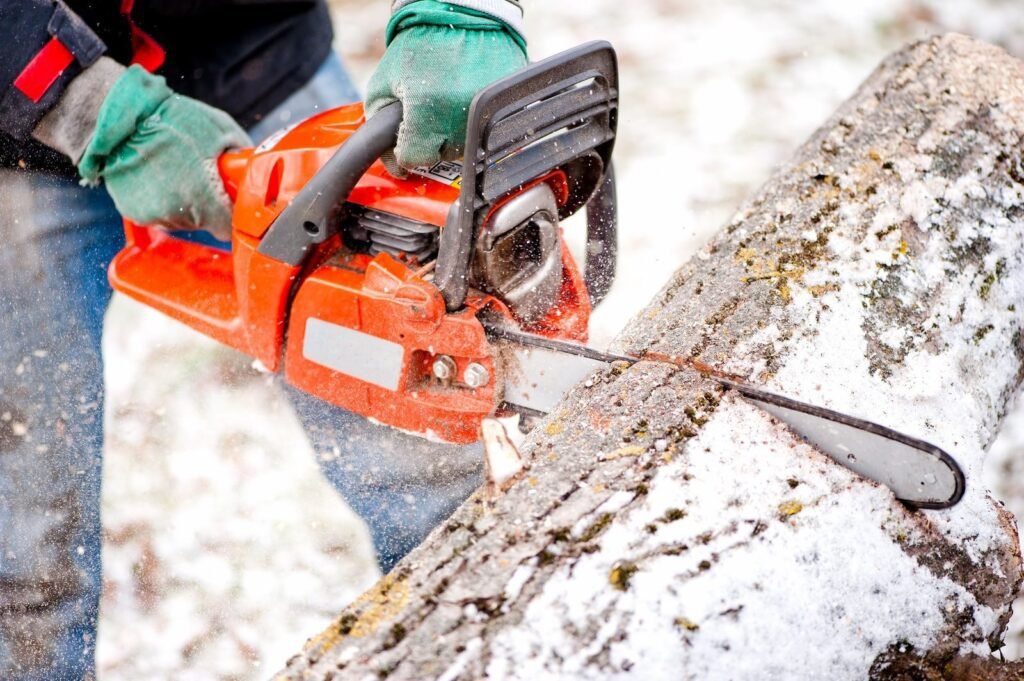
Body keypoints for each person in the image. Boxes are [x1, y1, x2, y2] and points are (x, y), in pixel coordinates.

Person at [0, 1, 526, 678]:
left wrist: (459, 11)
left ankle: (489, 649)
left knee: (425, 443)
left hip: (263, 67)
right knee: (24, 557)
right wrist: (84, 103)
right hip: (18, 138)